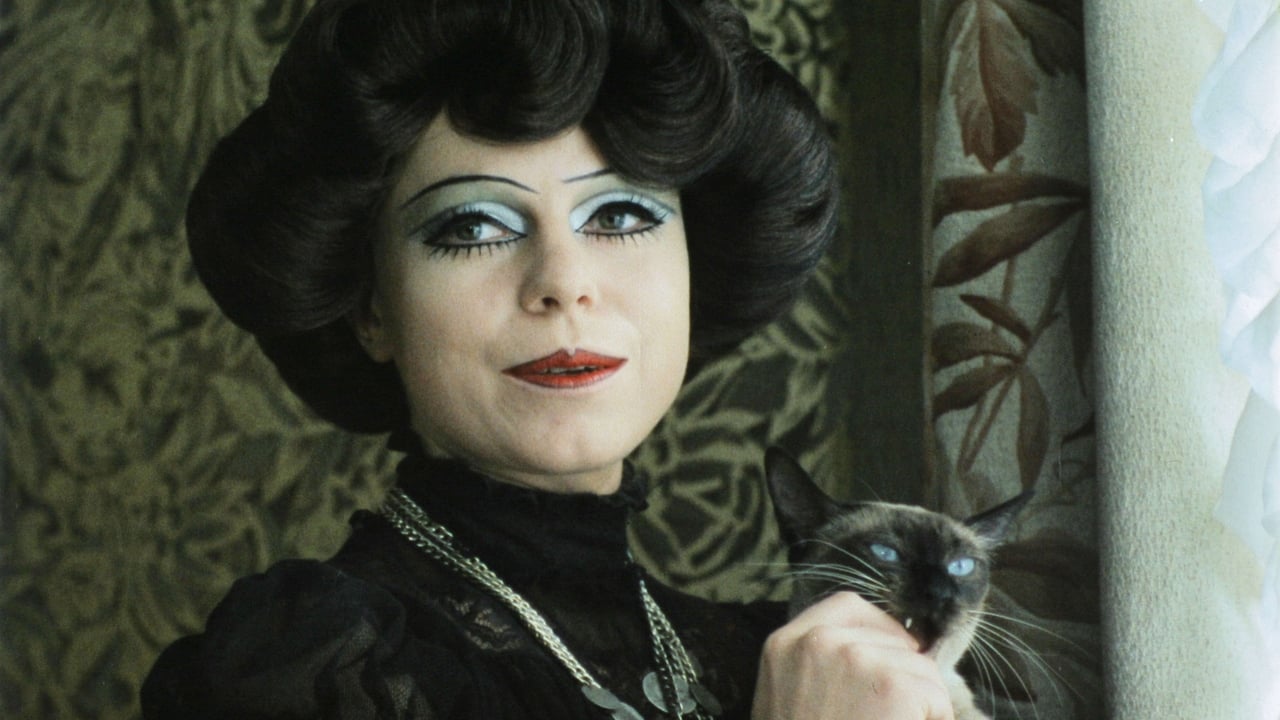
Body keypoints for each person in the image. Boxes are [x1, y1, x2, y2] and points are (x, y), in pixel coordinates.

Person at [141, 0, 957, 718]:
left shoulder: (787, 658)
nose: (564, 282)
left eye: (622, 214)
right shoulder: (321, 670)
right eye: (472, 227)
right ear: (371, 311)